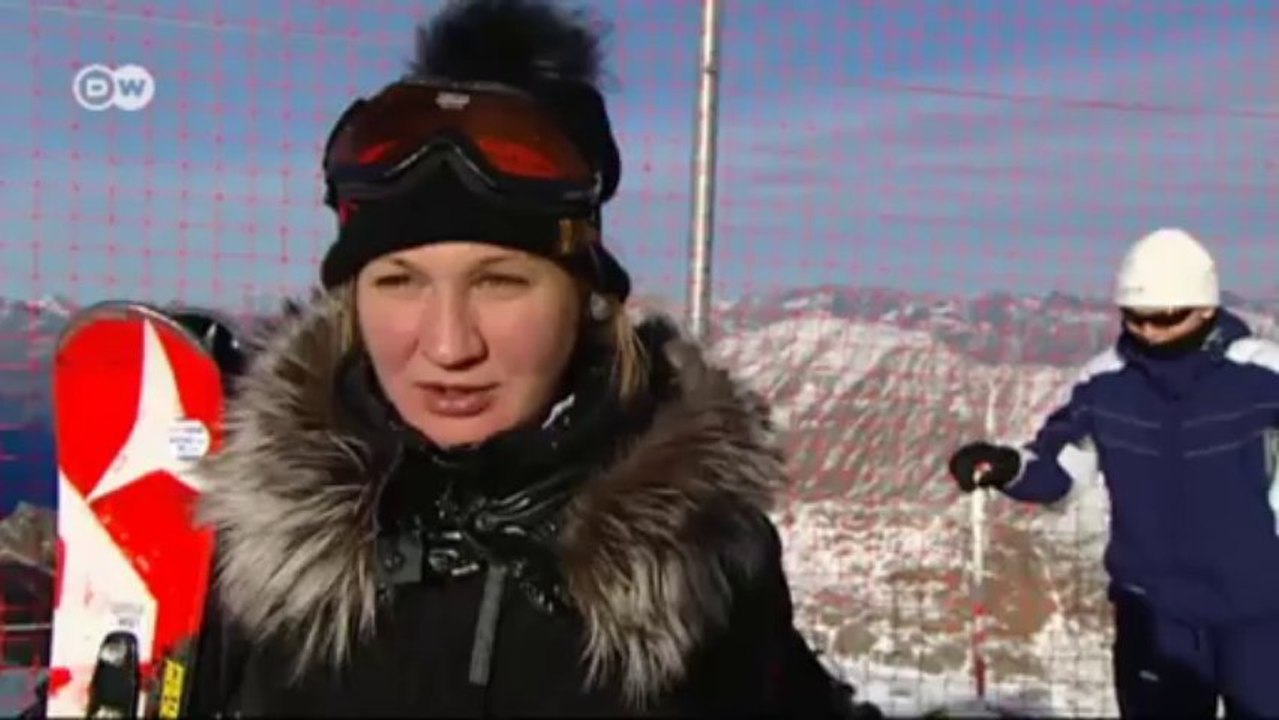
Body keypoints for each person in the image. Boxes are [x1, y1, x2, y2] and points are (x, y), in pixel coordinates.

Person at [176, 0, 878, 716]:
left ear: (585, 298)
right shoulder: (254, 547)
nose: (448, 346)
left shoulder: (699, 556)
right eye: (398, 282)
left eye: (500, 282)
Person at [948, 228, 1279, 718]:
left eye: (1164, 317)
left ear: (1207, 309)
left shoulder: (1262, 377)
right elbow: (1059, 469)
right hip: (1153, 615)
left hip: (1260, 613)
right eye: (1134, 318)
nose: (1148, 331)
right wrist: (1006, 468)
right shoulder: (1105, 383)